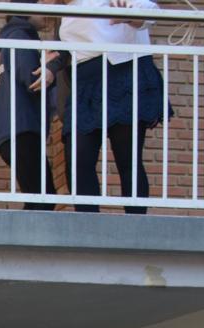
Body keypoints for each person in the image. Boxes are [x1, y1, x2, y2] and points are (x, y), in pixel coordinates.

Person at [56, 0, 170, 214]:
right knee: (78, 159)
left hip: (121, 72)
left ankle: (135, 226)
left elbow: (151, 12)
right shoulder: (66, 9)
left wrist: (128, 17)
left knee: (127, 158)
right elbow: (63, 51)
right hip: (86, 82)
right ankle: (88, 226)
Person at [0, 1, 67, 210]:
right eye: (40, 5)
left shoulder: (14, 37)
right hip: (22, 131)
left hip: (16, 132)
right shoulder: (20, 37)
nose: (47, 12)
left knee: (39, 197)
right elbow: (31, 80)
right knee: (44, 198)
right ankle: (18, 241)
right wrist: (51, 66)